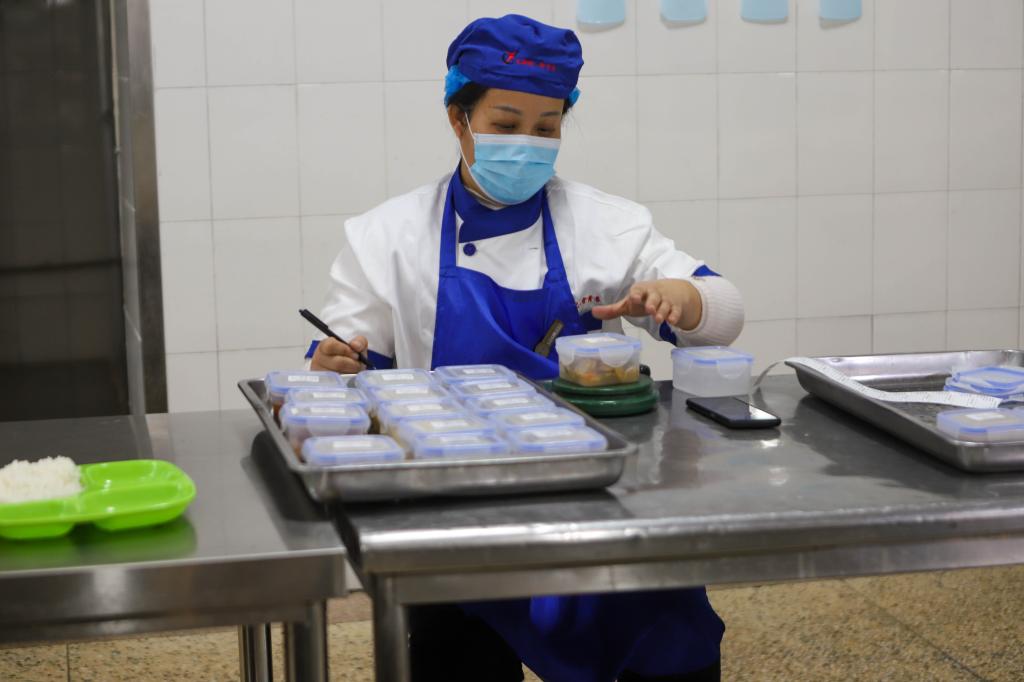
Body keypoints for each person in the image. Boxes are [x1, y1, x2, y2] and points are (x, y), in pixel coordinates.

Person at [308, 14, 744, 682]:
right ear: (458, 119)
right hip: (454, 510)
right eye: (506, 124)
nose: (527, 145)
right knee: (455, 657)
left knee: (667, 643)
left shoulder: (606, 224)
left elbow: (723, 313)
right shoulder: (388, 236)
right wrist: (334, 365)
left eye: (546, 129)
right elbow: (345, 366)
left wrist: (683, 299)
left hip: (597, 499)